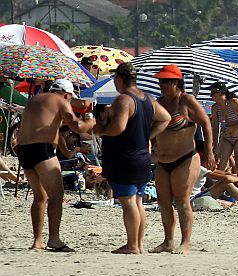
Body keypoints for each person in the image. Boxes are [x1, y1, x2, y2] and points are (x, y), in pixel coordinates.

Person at [94, 63, 171, 254]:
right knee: (137, 201)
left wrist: (100, 130)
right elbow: (166, 118)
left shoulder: (124, 100)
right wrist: (148, 136)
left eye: (114, 79)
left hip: (125, 158)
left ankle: (132, 245)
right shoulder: (147, 98)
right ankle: (139, 244)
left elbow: (118, 128)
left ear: (120, 79)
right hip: (142, 157)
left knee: (128, 202)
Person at [16, 79, 96, 252]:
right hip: (41, 149)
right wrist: (91, 119)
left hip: (23, 150)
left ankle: (38, 240)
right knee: (56, 195)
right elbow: (78, 126)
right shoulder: (60, 101)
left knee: (40, 197)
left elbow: (52, 126)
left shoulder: (35, 100)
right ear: (67, 95)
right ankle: (54, 239)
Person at [150, 64, 215, 254]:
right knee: (163, 201)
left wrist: (209, 150)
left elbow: (206, 123)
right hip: (163, 160)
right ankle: (168, 241)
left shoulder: (186, 101)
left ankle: (185, 242)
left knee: (182, 200)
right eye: (160, 81)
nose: (161, 84)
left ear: (176, 82)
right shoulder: (159, 103)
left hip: (186, 157)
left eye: (165, 81)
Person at [211, 82, 238, 179]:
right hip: (226, 137)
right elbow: (215, 128)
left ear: (220, 93)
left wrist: (234, 128)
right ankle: (220, 190)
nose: (211, 96)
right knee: (221, 166)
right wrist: (215, 146)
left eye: (213, 93)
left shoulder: (233, 102)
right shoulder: (215, 108)